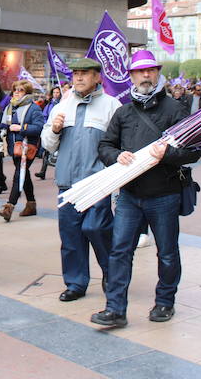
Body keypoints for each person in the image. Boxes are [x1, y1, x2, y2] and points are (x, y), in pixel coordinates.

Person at [91, 50, 201, 328]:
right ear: (131, 76)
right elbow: (105, 145)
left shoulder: (175, 109)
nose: (146, 75)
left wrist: (166, 154)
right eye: (140, 71)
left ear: (158, 72)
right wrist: (116, 156)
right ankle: (115, 309)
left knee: (166, 252)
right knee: (119, 252)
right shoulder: (123, 111)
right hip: (129, 195)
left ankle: (165, 302)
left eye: (150, 70)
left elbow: (194, 150)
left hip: (164, 195)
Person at [41, 59, 120, 302]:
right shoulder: (62, 105)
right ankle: (76, 283)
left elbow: (118, 145)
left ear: (98, 77)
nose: (78, 77)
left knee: (96, 228)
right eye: (75, 73)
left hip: (96, 183)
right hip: (67, 182)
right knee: (71, 237)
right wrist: (54, 129)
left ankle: (111, 272)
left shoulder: (111, 106)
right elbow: (47, 144)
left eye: (85, 73)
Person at [0, 80, 44, 221]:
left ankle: (9, 206)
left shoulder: (33, 108)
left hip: (28, 147)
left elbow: (39, 127)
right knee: (24, 174)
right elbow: (4, 123)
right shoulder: (10, 107)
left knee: (19, 174)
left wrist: (22, 128)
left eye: (21, 90)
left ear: (27, 92)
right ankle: (31, 204)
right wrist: (0, 128)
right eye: (15, 89)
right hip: (13, 147)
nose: (17, 92)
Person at [35, 86, 63, 179]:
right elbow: (44, 115)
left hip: (60, 129)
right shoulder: (49, 105)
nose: (56, 94)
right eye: (54, 92)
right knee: (47, 152)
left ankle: (59, 172)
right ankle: (43, 171)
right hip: (50, 128)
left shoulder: (63, 104)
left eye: (57, 92)